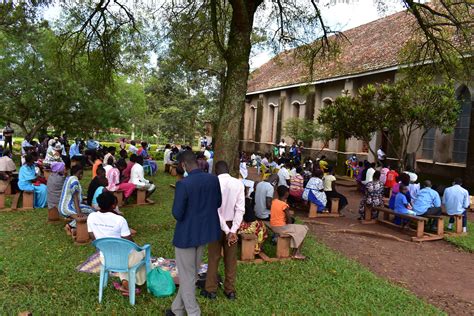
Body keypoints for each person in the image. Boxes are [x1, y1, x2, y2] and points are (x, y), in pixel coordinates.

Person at [167, 150, 222, 316]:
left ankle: (193, 313)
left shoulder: (184, 184)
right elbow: (218, 203)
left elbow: (177, 213)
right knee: (191, 275)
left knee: (187, 277)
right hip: (204, 233)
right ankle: (176, 310)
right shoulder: (213, 179)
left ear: (183, 165)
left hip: (186, 235)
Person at [87, 191, 146, 294]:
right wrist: (140, 249)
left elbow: (93, 238)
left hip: (105, 258)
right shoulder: (120, 220)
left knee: (121, 254)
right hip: (123, 259)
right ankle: (136, 283)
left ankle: (125, 282)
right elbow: (129, 241)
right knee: (143, 253)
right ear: (113, 205)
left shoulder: (91, 217)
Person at [202, 161, 245, 300]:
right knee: (231, 259)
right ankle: (230, 290)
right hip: (233, 224)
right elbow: (240, 209)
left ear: (215, 171)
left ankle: (211, 290)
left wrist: (227, 231)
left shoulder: (211, 184)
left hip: (215, 225)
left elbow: (214, 210)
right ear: (228, 170)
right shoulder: (238, 183)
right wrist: (233, 230)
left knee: (213, 257)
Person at [270, 185, 308, 260]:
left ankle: (295, 251)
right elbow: (289, 221)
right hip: (280, 227)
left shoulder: (274, 201)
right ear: (287, 193)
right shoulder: (284, 205)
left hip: (273, 226)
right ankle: (296, 253)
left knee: (301, 228)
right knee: (304, 229)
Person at [58, 165, 95, 232]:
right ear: (79, 173)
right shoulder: (74, 181)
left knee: (87, 209)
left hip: (62, 207)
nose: (82, 176)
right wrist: (79, 213)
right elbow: (75, 198)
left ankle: (72, 226)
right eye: (81, 174)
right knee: (92, 212)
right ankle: (70, 226)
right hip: (68, 207)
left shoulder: (69, 178)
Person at [238, 186, 268, 255]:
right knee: (262, 228)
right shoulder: (244, 201)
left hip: (236, 224)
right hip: (243, 226)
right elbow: (249, 218)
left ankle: (255, 246)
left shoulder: (237, 200)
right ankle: (257, 248)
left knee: (259, 225)